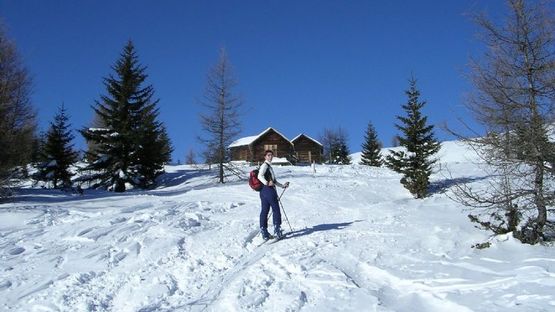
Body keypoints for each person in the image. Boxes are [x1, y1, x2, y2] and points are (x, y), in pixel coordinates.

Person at [258, 150, 290, 240]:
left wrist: (282, 186)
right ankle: (277, 230)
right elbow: (259, 176)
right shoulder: (265, 165)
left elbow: (274, 181)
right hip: (268, 190)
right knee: (276, 209)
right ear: (265, 157)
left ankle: (264, 232)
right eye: (268, 155)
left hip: (263, 191)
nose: (270, 157)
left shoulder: (268, 166)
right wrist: (267, 183)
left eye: (271, 155)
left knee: (264, 211)